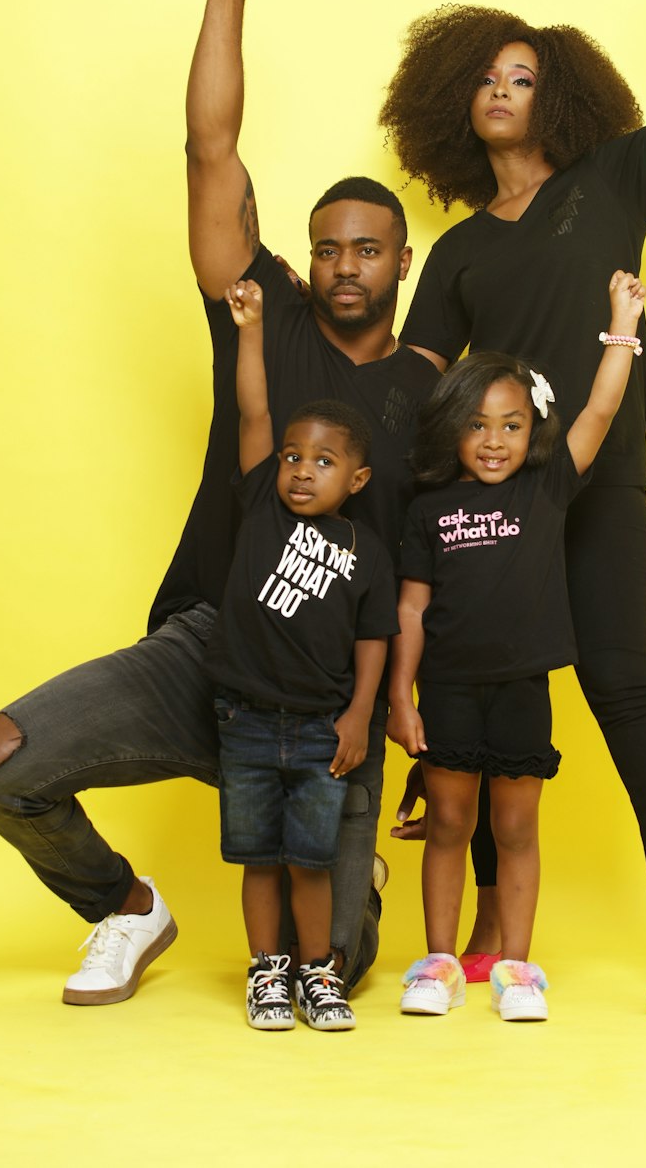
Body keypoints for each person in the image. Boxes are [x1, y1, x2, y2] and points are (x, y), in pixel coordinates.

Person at [0, 0, 437, 1005]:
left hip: (323, 700)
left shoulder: (426, 389)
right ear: (304, 255)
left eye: (368, 249)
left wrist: (417, 728)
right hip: (210, 649)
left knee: (341, 967)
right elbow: (211, 153)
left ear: (403, 261)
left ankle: (346, 876)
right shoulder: (266, 316)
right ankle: (126, 911)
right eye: (327, 246)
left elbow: (426, 572)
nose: (344, 265)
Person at [380, 0, 646, 1014]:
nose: (500, 90)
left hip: (597, 480)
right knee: (484, 689)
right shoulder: (459, 247)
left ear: (557, 97)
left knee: (620, 685)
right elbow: (413, 380)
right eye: (485, 77)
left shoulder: (614, 181)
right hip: (499, 503)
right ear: (456, 102)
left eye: (522, 77)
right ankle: (491, 919)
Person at [390, 272, 646, 1023]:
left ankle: (516, 970)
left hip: (522, 689)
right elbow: (410, 606)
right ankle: (437, 963)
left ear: (533, 429)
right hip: (446, 692)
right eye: (476, 425)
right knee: (447, 825)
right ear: (452, 430)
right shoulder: (429, 506)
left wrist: (621, 324)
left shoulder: (547, 489)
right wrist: (401, 699)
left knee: (515, 831)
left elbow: (601, 407)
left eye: (509, 424)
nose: (494, 441)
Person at [210, 278, 398, 1030]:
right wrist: (250, 329)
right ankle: (268, 972)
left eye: (322, 462)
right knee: (259, 857)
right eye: (293, 455)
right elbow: (253, 408)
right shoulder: (259, 501)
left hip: (324, 727)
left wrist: (359, 717)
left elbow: (374, 639)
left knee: (310, 860)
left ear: (355, 480)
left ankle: (319, 973)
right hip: (246, 719)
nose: (298, 470)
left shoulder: (367, 551)